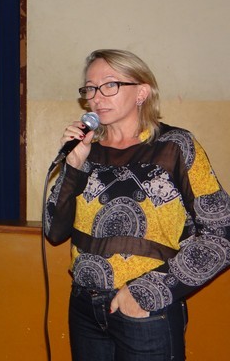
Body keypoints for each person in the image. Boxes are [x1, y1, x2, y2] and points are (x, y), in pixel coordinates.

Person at [44, 49, 230, 360]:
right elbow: (54, 230)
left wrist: (147, 292)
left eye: (110, 85)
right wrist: (73, 165)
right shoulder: (85, 151)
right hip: (85, 307)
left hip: (146, 311)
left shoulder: (175, 147)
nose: (96, 97)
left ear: (142, 92)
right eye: (90, 88)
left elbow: (221, 235)